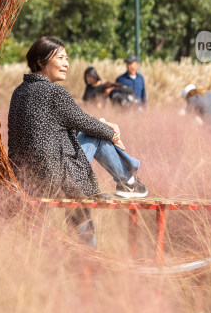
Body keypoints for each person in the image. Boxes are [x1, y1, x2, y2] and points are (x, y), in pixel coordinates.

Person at [8, 36, 148, 247]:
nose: (67, 63)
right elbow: (85, 123)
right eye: (61, 58)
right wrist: (111, 132)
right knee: (95, 137)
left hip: (25, 176)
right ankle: (128, 180)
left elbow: (55, 129)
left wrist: (102, 125)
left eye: (67, 58)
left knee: (79, 183)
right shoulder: (54, 92)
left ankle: (127, 178)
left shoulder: (19, 92)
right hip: (54, 175)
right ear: (40, 62)